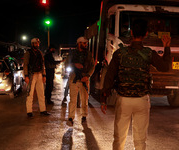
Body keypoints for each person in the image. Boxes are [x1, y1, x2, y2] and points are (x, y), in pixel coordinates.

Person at [101, 19, 171, 150]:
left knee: (119, 138)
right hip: (142, 100)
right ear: (145, 34)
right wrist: (166, 46)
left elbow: (109, 77)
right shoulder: (149, 53)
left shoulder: (119, 53)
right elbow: (165, 67)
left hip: (123, 100)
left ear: (131, 33)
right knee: (140, 141)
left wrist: (104, 98)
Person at [65, 36, 95, 124]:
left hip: (84, 79)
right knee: (73, 100)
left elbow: (92, 67)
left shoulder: (88, 54)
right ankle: (71, 117)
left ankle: (84, 116)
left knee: (84, 100)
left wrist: (87, 76)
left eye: (86, 43)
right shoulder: (72, 54)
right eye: (84, 43)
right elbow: (66, 64)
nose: (86, 45)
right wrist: (75, 64)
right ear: (79, 43)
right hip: (74, 78)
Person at [23, 38, 50, 118]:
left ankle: (43, 110)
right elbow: (25, 65)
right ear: (32, 44)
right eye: (35, 43)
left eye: (38, 43)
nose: (37, 44)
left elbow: (42, 65)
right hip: (31, 75)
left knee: (41, 93)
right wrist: (26, 76)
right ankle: (29, 111)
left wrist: (44, 75)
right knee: (30, 93)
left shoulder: (39, 52)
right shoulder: (28, 53)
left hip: (39, 74)